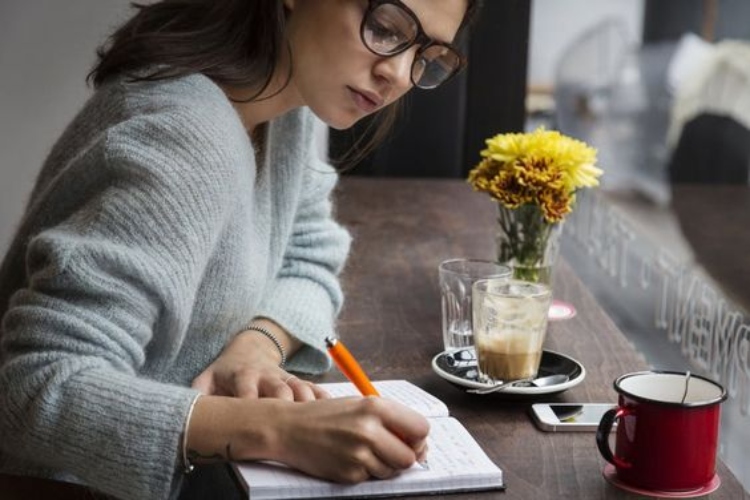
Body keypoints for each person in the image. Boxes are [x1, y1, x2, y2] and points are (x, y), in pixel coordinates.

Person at [0, 0, 481, 498]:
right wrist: (275, 431)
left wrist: (254, 349)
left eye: (426, 55)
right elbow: (35, 386)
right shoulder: (183, 137)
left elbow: (311, 254)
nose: (398, 74)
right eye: (384, 29)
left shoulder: (289, 103)